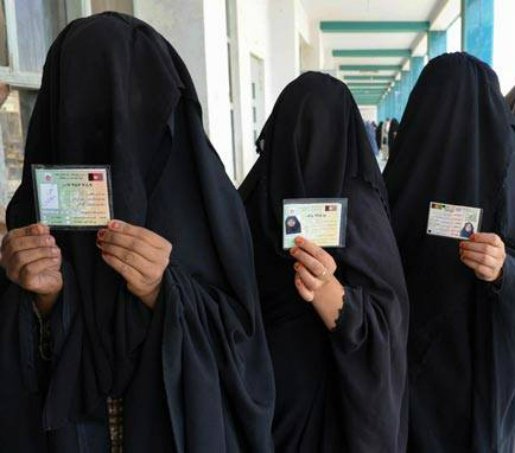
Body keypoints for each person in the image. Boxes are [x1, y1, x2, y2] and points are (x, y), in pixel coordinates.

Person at [0, 13, 274, 452]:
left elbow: (246, 347)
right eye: (83, 111)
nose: (111, 135)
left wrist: (165, 293)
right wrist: (42, 300)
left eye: (128, 107)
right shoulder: (30, 217)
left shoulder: (207, 202)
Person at [239, 72, 409, 452]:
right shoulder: (248, 202)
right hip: (265, 399)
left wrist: (332, 295)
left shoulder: (356, 208)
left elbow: (388, 318)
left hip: (304, 401)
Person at [383, 52, 515, 452]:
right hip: (430, 371)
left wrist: (503, 268)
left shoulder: (399, 176)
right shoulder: (390, 182)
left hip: (447, 365)